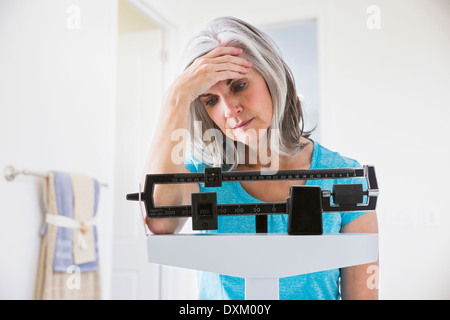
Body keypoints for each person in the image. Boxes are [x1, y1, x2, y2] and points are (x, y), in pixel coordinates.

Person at [143, 16, 379, 300]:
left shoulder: (344, 175)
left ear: (271, 78)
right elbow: (159, 222)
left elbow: (362, 296)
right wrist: (176, 96)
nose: (230, 110)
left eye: (238, 85)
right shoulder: (199, 174)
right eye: (210, 100)